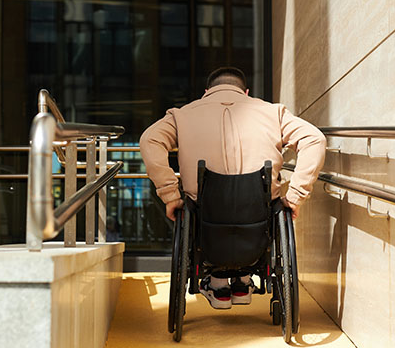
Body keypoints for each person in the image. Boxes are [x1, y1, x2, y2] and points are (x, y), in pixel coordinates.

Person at [140, 67, 326, 309]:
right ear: (246, 92)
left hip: (205, 213)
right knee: (269, 205)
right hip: (258, 211)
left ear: (206, 92)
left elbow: (149, 140)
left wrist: (169, 194)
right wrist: (295, 195)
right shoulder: (274, 113)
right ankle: (243, 281)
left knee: (193, 207)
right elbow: (315, 139)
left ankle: (218, 284)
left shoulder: (181, 115)